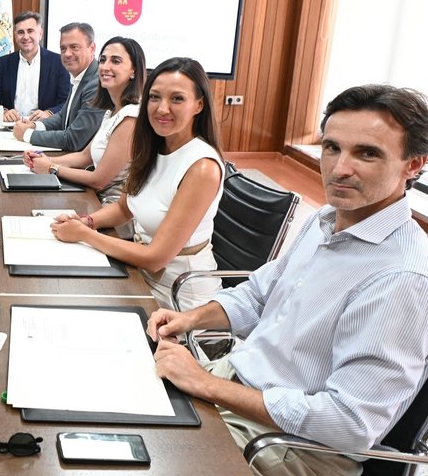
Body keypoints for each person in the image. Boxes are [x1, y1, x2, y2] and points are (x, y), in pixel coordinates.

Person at [147, 84, 428, 476]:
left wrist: (206, 385)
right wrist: (191, 319)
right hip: (237, 386)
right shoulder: (326, 220)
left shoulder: (402, 278)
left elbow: (349, 423)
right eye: (332, 148)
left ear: (413, 164)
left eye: (367, 153)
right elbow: (263, 292)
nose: (340, 168)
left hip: (290, 447)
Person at [51, 57, 224, 310]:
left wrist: (85, 235)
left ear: (199, 105)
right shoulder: (153, 147)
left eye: (177, 99)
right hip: (137, 273)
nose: (162, 108)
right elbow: (124, 209)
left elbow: (155, 258)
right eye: (154, 97)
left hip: (177, 298)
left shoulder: (202, 167)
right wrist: (88, 221)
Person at [24, 37, 146, 212]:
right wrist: (43, 160)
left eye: (116, 61)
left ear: (134, 71)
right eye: (103, 60)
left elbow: (99, 179)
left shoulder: (130, 118)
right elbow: (84, 157)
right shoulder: (112, 111)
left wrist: (51, 167)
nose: (105, 66)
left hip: (111, 211)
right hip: (93, 198)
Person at [12, 22, 106, 151]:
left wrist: (27, 134)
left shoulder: (97, 84)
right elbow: (63, 117)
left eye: (74, 47)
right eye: (63, 49)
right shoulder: (79, 76)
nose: (67, 54)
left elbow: (74, 139)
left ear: (92, 48)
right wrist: (34, 125)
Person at [0, 11, 70, 121]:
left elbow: (66, 101)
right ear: (15, 35)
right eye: (20, 32)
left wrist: (49, 113)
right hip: (11, 127)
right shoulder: (4, 62)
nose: (25, 37)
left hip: (44, 127)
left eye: (30, 31)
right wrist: (3, 112)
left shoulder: (58, 62)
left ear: (40, 34)